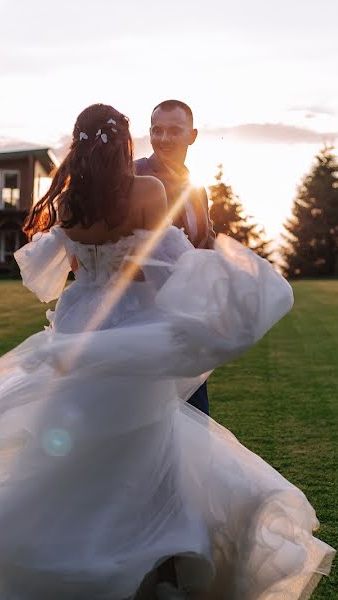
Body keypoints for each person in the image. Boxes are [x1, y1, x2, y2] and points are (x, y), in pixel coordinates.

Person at [0, 103, 334, 600]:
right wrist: (225, 278)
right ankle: (156, 569)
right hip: (132, 330)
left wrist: (103, 264)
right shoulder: (146, 191)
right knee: (149, 451)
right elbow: (172, 265)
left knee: (76, 448)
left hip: (76, 331)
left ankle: (86, 557)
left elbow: (54, 277)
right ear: (124, 143)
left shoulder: (70, 202)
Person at [135, 99, 214, 415]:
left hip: (186, 328)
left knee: (195, 423)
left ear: (192, 136)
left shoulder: (197, 188)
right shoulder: (135, 175)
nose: (164, 138)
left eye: (174, 131)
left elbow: (203, 246)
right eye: (157, 130)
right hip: (143, 325)